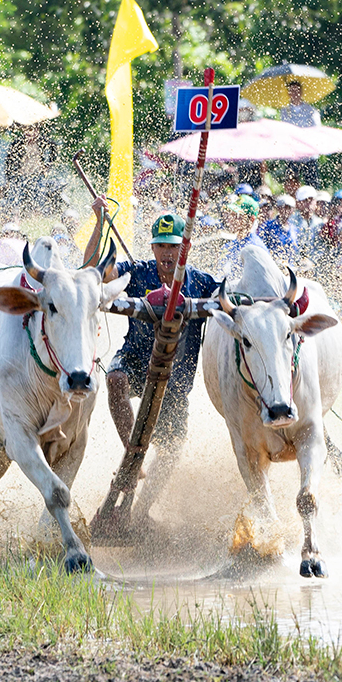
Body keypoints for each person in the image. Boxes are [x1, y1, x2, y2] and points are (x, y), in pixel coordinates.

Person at [88, 204, 219, 512]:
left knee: (172, 448)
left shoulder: (200, 282)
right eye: (161, 245)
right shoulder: (140, 271)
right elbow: (95, 274)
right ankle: (133, 453)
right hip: (135, 359)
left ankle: (143, 511)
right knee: (115, 378)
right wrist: (98, 224)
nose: (166, 252)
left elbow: (232, 298)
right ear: (152, 248)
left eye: (173, 246)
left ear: (184, 248)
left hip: (176, 378)